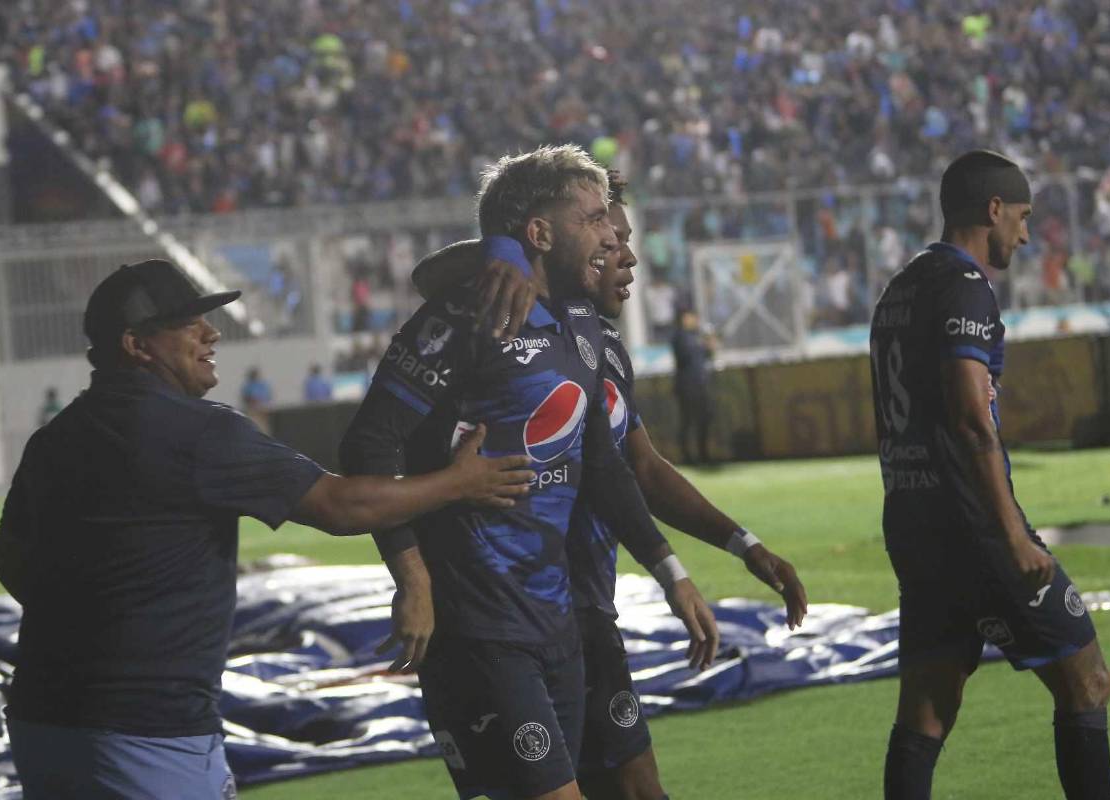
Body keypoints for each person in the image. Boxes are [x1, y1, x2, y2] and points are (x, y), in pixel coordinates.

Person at [0, 259, 535, 800]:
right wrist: (458, 482)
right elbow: (341, 506)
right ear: (136, 345)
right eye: (187, 323)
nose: (211, 333)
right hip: (148, 731)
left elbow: (7, 561)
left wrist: (95, 625)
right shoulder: (197, 433)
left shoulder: (54, 439)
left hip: (42, 723)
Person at [413, 171, 808, 800]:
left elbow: (639, 468)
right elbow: (431, 278)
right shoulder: (498, 316)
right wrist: (504, 251)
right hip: (506, 617)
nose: (623, 255)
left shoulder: (601, 346)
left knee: (635, 789)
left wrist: (741, 544)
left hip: (586, 612)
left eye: (621, 237)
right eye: (606, 237)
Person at [339, 147, 717, 800]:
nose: (611, 234)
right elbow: (369, 442)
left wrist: (670, 572)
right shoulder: (467, 313)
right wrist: (413, 577)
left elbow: (604, 464)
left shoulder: (579, 325)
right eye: (596, 219)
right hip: (477, 625)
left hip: (556, 621)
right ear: (540, 234)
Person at [869, 151, 1110, 800]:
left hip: (911, 521)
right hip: (973, 526)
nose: (1026, 234)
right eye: (1024, 217)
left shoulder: (898, 289)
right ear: (993, 209)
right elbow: (973, 421)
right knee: (1087, 679)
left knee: (926, 706)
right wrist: (1012, 537)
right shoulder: (964, 286)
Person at [671, 308, 717, 464]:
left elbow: (708, 356)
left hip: (701, 384)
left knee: (703, 420)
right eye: (692, 317)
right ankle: (687, 456)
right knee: (688, 421)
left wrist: (710, 345)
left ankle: (703, 454)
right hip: (687, 385)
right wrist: (703, 343)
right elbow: (685, 356)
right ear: (684, 318)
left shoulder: (696, 336)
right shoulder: (679, 336)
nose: (695, 320)